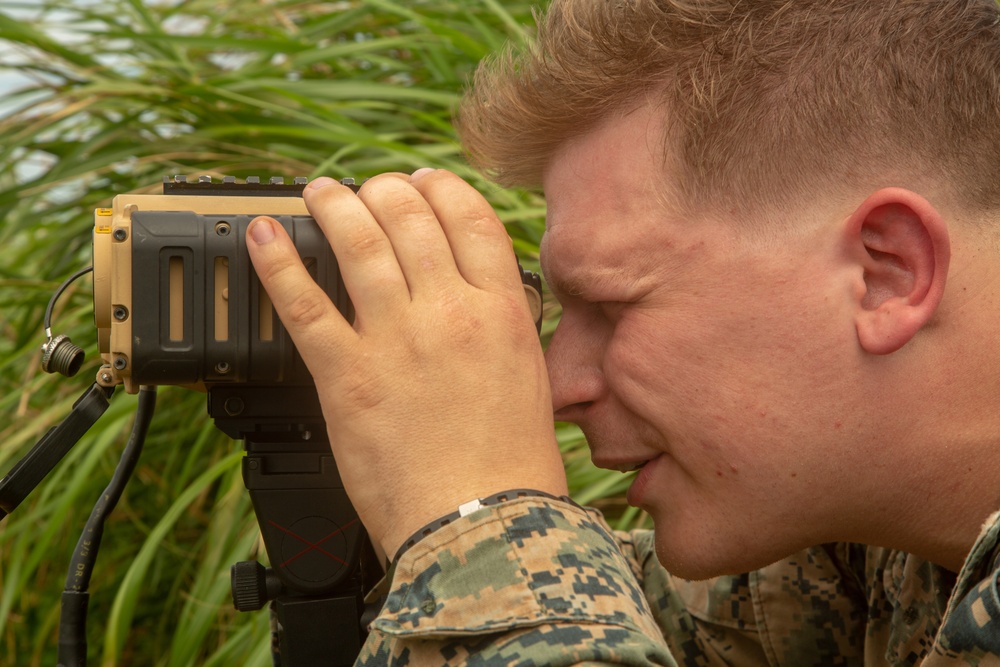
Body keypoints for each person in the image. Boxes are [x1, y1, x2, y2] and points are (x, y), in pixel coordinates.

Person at [245, 0, 1000, 664]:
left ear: (888, 271)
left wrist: (471, 518)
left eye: (611, 307)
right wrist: (396, 468)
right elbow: (626, 618)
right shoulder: (877, 551)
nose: (559, 389)